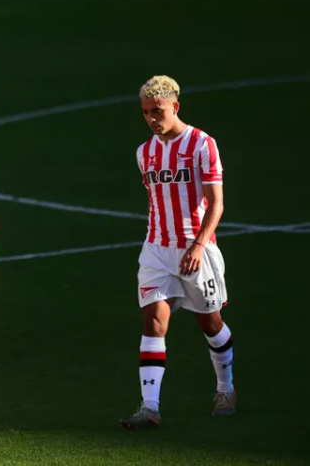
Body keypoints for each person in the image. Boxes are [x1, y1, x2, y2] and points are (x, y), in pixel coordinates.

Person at [120, 75, 236, 430]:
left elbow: (216, 204)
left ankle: (226, 388)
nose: (152, 118)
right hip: (156, 249)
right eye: (146, 112)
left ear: (175, 107)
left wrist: (199, 245)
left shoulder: (202, 145)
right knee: (153, 320)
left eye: (158, 111)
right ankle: (150, 407)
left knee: (210, 322)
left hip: (195, 250)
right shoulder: (145, 153)